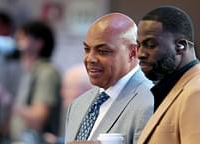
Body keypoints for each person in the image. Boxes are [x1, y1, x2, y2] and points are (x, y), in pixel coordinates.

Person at [136, 6, 200, 144]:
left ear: (180, 46)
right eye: (138, 45)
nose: (140, 54)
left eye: (150, 44)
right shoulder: (178, 90)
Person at [65, 13, 154, 144]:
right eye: (87, 49)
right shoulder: (77, 105)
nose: (90, 59)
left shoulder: (151, 102)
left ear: (132, 53)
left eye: (103, 51)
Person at [10, 21, 61, 143]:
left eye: (23, 37)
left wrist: (7, 101)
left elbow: (38, 119)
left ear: (38, 43)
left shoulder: (47, 72)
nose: (18, 41)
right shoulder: (29, 71)